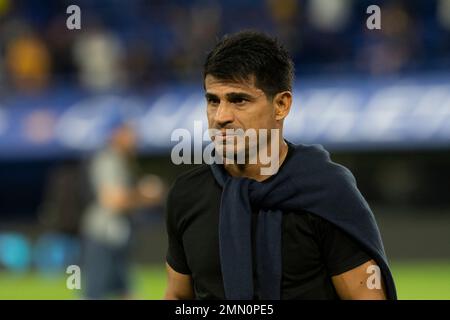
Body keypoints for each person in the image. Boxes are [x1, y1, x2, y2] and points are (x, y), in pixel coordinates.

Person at [164, 31, 396, 300]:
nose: (221, 116)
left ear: (282, 105)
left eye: (239, 100)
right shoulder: (187, 194)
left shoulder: (327, 191)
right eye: (213, 100)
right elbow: (179, 298)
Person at [80, 117, 164, 299]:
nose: (135, 138)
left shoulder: (122, 160)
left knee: (126, 291)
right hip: (103, 236)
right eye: (129, 132)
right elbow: (112, 201)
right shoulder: (108, 159)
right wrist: (145, 194)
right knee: (94, 293)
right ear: (116, 134)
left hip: (117, 236)